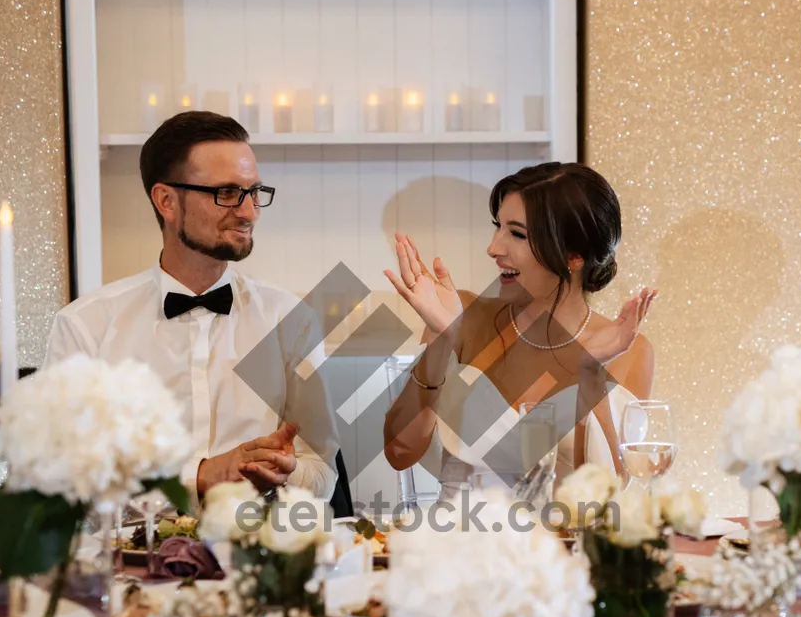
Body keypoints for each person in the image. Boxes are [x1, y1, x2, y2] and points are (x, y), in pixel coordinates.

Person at [45, 111, 338, 500]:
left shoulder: (290, 320)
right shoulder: (86, 326)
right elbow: (60, 473)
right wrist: (201, 474)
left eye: (254, 193)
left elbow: (322, 471)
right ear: (166, 200)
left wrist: (289, 471)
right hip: (130, 556)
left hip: (257, 551)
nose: (249, 213)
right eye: (227, 193)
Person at [382, 162, 656, 495]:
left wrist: (591, 374)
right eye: (498, 227)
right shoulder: (463, 315)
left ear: (573, 256)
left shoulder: (629, 351)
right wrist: (442, 341)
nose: (494, 248)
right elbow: (400, 453)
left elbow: (607, 496)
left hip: (559, 544)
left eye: (516, 234)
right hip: (457, 538)